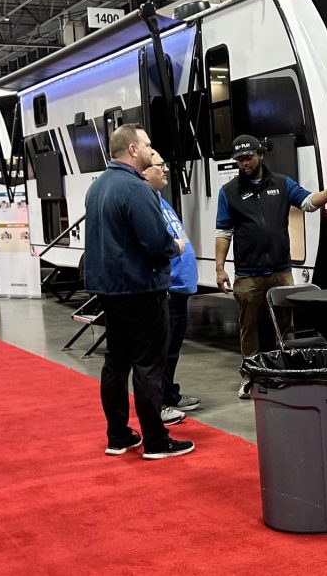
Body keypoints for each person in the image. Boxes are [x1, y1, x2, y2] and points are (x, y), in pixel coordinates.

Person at [214, 134, 327, 399]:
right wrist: (219, 268)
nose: (244, 163)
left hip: (281, 271)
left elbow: (309, 203)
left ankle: (289, 373)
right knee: (249, 328)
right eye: (239, 160)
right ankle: (251, 376)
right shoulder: (229, 192)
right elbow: (223, 232)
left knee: (285, 327)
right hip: (248, 274)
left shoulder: (283, 184)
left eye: (248, 157)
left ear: (260, 155)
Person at [84, 124, 195, 460]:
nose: (151, 151)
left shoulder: (98, 186)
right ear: (132, 149)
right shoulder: (135, 188)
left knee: (116, 363)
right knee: (149, 364)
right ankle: (156, 441)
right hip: (140, 289)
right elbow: (155, 241)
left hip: (109, 290)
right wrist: (175, 247)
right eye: (147, 145)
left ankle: (118, 435)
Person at [144, 149, 202, 415]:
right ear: (145, 171)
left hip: (179, 290)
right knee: (162, 351)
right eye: (160, 165)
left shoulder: (160, 199)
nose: (166, 169)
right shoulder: (146, 202)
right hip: (167, 289)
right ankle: (160, 405)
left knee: (172, 350)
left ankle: (170, 394)